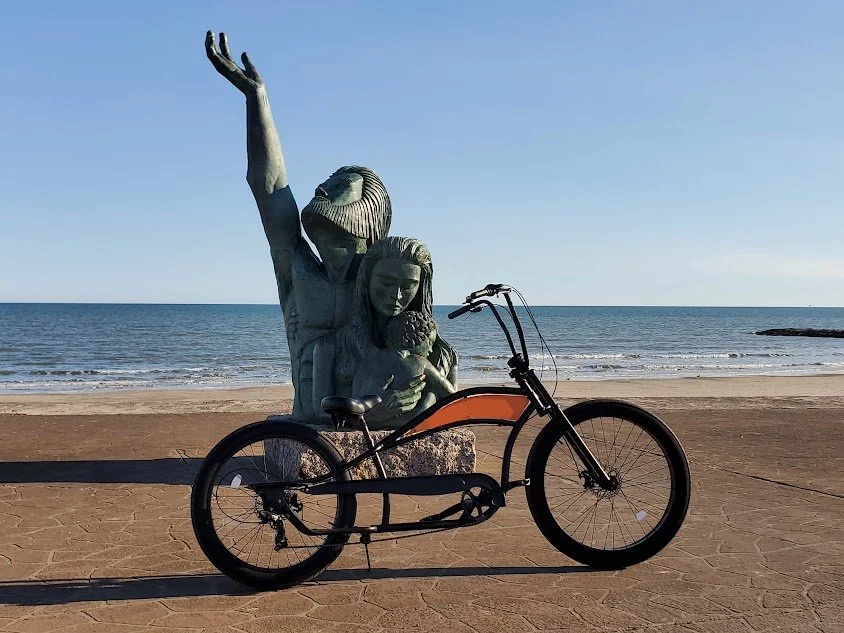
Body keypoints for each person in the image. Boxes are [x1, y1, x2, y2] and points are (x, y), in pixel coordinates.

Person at [205, 31, 424, 422]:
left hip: (368, 413)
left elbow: (418, 353)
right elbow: (270, 186)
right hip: (310, 410)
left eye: (341, 186)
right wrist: (257, 101)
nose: (322, 188)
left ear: (369, 207)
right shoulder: (297, 267)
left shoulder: (383, 278)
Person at [338, 236, 458, 427]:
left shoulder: (440, 352)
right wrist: (372, 416)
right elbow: (310, 412)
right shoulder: (334, 345)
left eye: (409, 285)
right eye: (386, 282)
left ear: (421, 286)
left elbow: (452, 407)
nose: (397, 294)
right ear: (367, 278)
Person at [352, 311, 456, 429]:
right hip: (410, 420)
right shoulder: (418, 361)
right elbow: (451, 396)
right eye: (430, 343)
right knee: (432, 391)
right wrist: (453, 368)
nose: (431, 350)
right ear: (414, 339)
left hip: (363, 416)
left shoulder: (368, 360)